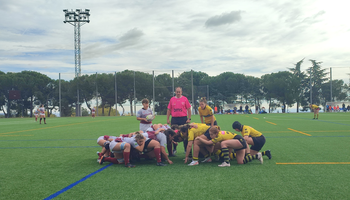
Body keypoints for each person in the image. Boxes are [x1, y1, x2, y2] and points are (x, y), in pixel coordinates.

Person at [196, 127, 263, 166]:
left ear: (216, 133)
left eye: (211, 134)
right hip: (239, 142)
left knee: (223, 143)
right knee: (240, 162)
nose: (210, 136)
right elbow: (229, 145)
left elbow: (208, 142)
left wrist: (199, 138)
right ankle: (257, 156)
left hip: (240, 140)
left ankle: (226, 162)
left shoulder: (219, 136)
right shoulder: (218, 134)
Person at [166, 87, 191, 155]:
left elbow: (189, 109)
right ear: (175, 92)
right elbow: (169, 110)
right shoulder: (172, 99)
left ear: (181, 92)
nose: (178, 93)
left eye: (179, 92)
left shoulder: (185, 99)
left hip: (183, 118)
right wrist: (168, 119)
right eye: (177, 92)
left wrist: (189, 118)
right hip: (174, 119)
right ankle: (174, 149)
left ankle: (186, 149)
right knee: (173, 133)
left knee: (185, 133)